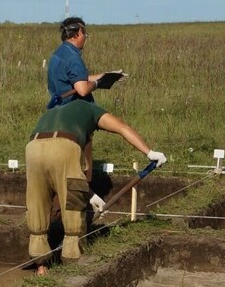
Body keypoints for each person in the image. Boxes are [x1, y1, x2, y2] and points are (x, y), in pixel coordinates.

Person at [26, 100, 166, 274]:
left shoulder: (53, 113)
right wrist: (150, 152)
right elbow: (122, 127)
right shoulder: (91, 109)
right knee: (73, 207)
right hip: (64, 146)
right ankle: (72, 266)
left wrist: (90, 194)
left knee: (37, 204)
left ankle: (41, 267)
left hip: (32, 149)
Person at [46, 16, 110, 109]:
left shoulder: (57, 54)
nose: (85, 38)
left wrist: (106, 76)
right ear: (78, 34)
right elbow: (82, 90)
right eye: (85, 34)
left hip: (56, 109)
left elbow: (75, 79)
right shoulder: (73, 57)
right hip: (75, 110)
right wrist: (96, 84)